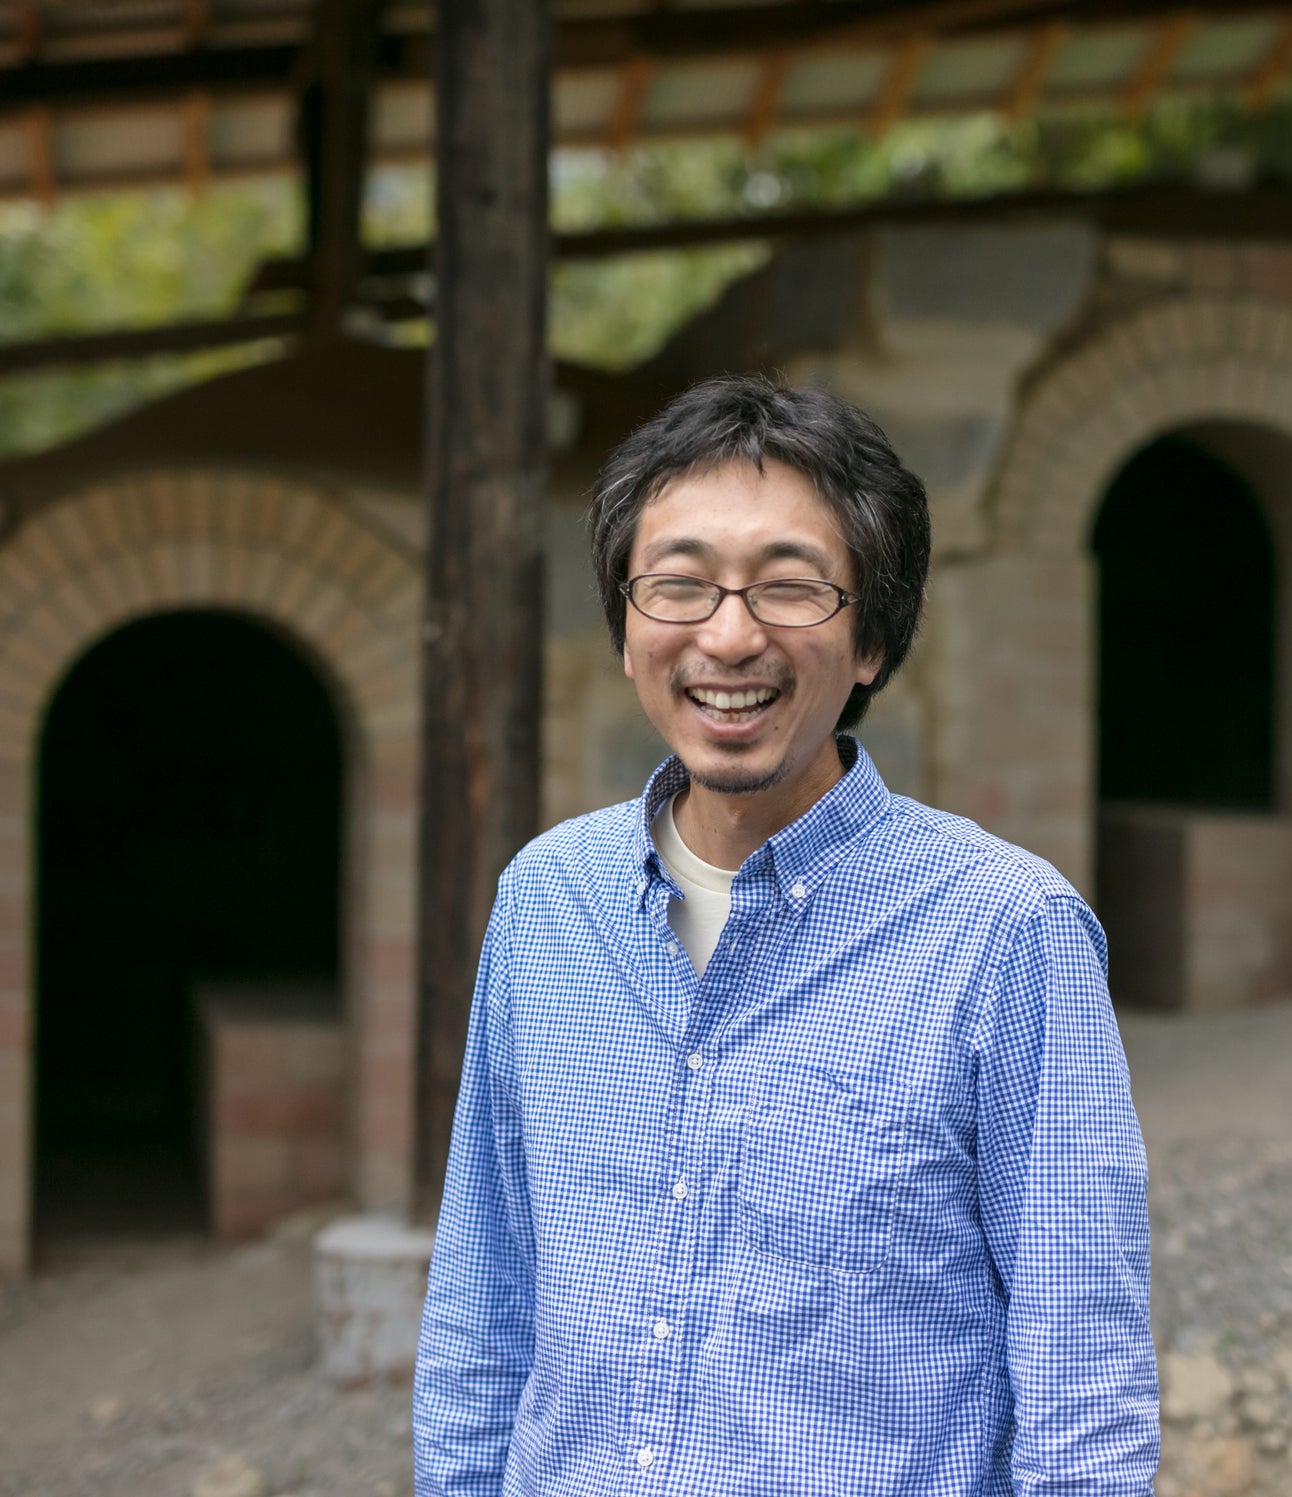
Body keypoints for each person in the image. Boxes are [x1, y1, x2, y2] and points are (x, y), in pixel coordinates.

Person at [412, 375, 1159, 1496]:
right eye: (679, 584)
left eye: (789, 587)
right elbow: (483, 1306)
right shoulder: (545, 903)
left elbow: (1082, 1388)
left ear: (871, 642)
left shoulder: (1007, 936)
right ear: (626, 628)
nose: (728, 633)